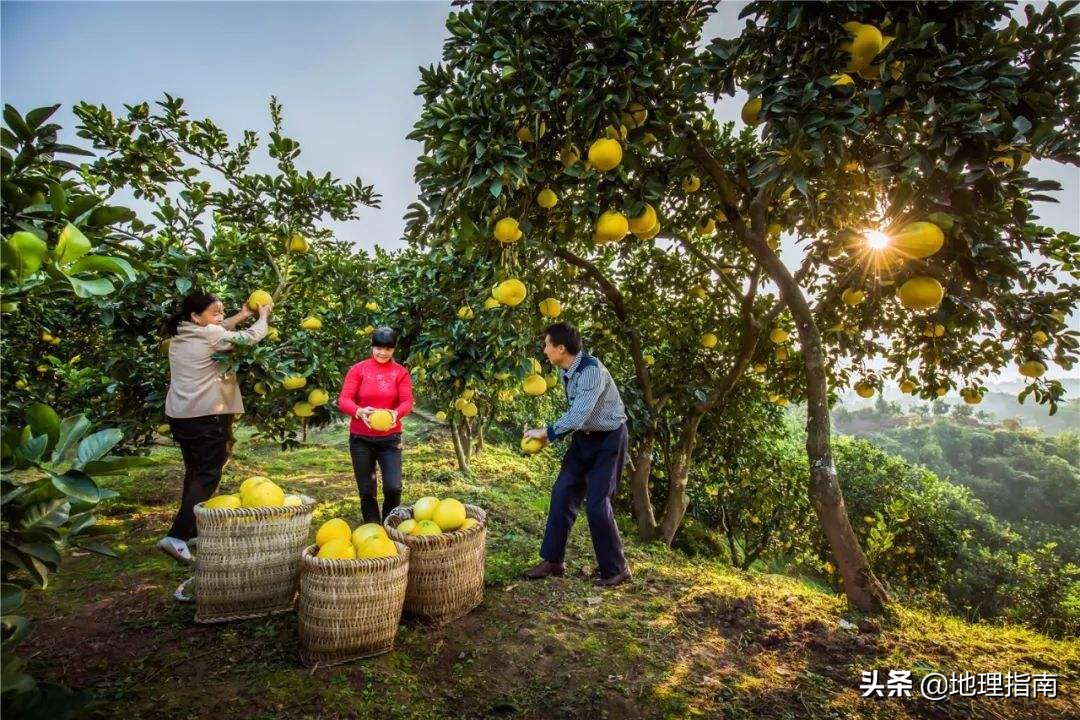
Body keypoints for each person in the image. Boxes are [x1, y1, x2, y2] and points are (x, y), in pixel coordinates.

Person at [159, 290, 271, 563]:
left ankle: (193, 529)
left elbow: (219, 329)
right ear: (196, 316)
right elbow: (247, 338)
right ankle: (177, 537)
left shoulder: (182, 332)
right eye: (215, 312)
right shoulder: (210, 335)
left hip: (181, 415)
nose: (220, 316)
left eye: (222, 310)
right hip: (206, 415)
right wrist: (262, 317)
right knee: (208, 474)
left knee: (194, 472)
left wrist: (243, 314)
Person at [521, 322, 632, 588]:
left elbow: (580, 414)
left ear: (561, 348)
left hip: (609, 440)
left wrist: (545, 432)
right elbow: (578, 417)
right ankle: (553, 561)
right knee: (562, 493)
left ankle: (617, 569)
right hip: (584, 439)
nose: (544, 349)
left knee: (597, 504)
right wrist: (552, 435)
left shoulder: (592, 370)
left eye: (547, 344)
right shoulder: (567, 369)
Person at [337, 326, 414, 524]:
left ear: (394, 349)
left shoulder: (400, 373)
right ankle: (372, 527)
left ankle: (389, 524)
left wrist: (396, 413)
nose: (382, 352)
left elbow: (407, 401)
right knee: (366, 490)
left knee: (393, 487)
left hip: (390, 440)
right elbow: (344, 400)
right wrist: (359, 411)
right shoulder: (358, 370)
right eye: (378, 347)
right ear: (372, 347)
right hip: (360, 439)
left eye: (387, 348)